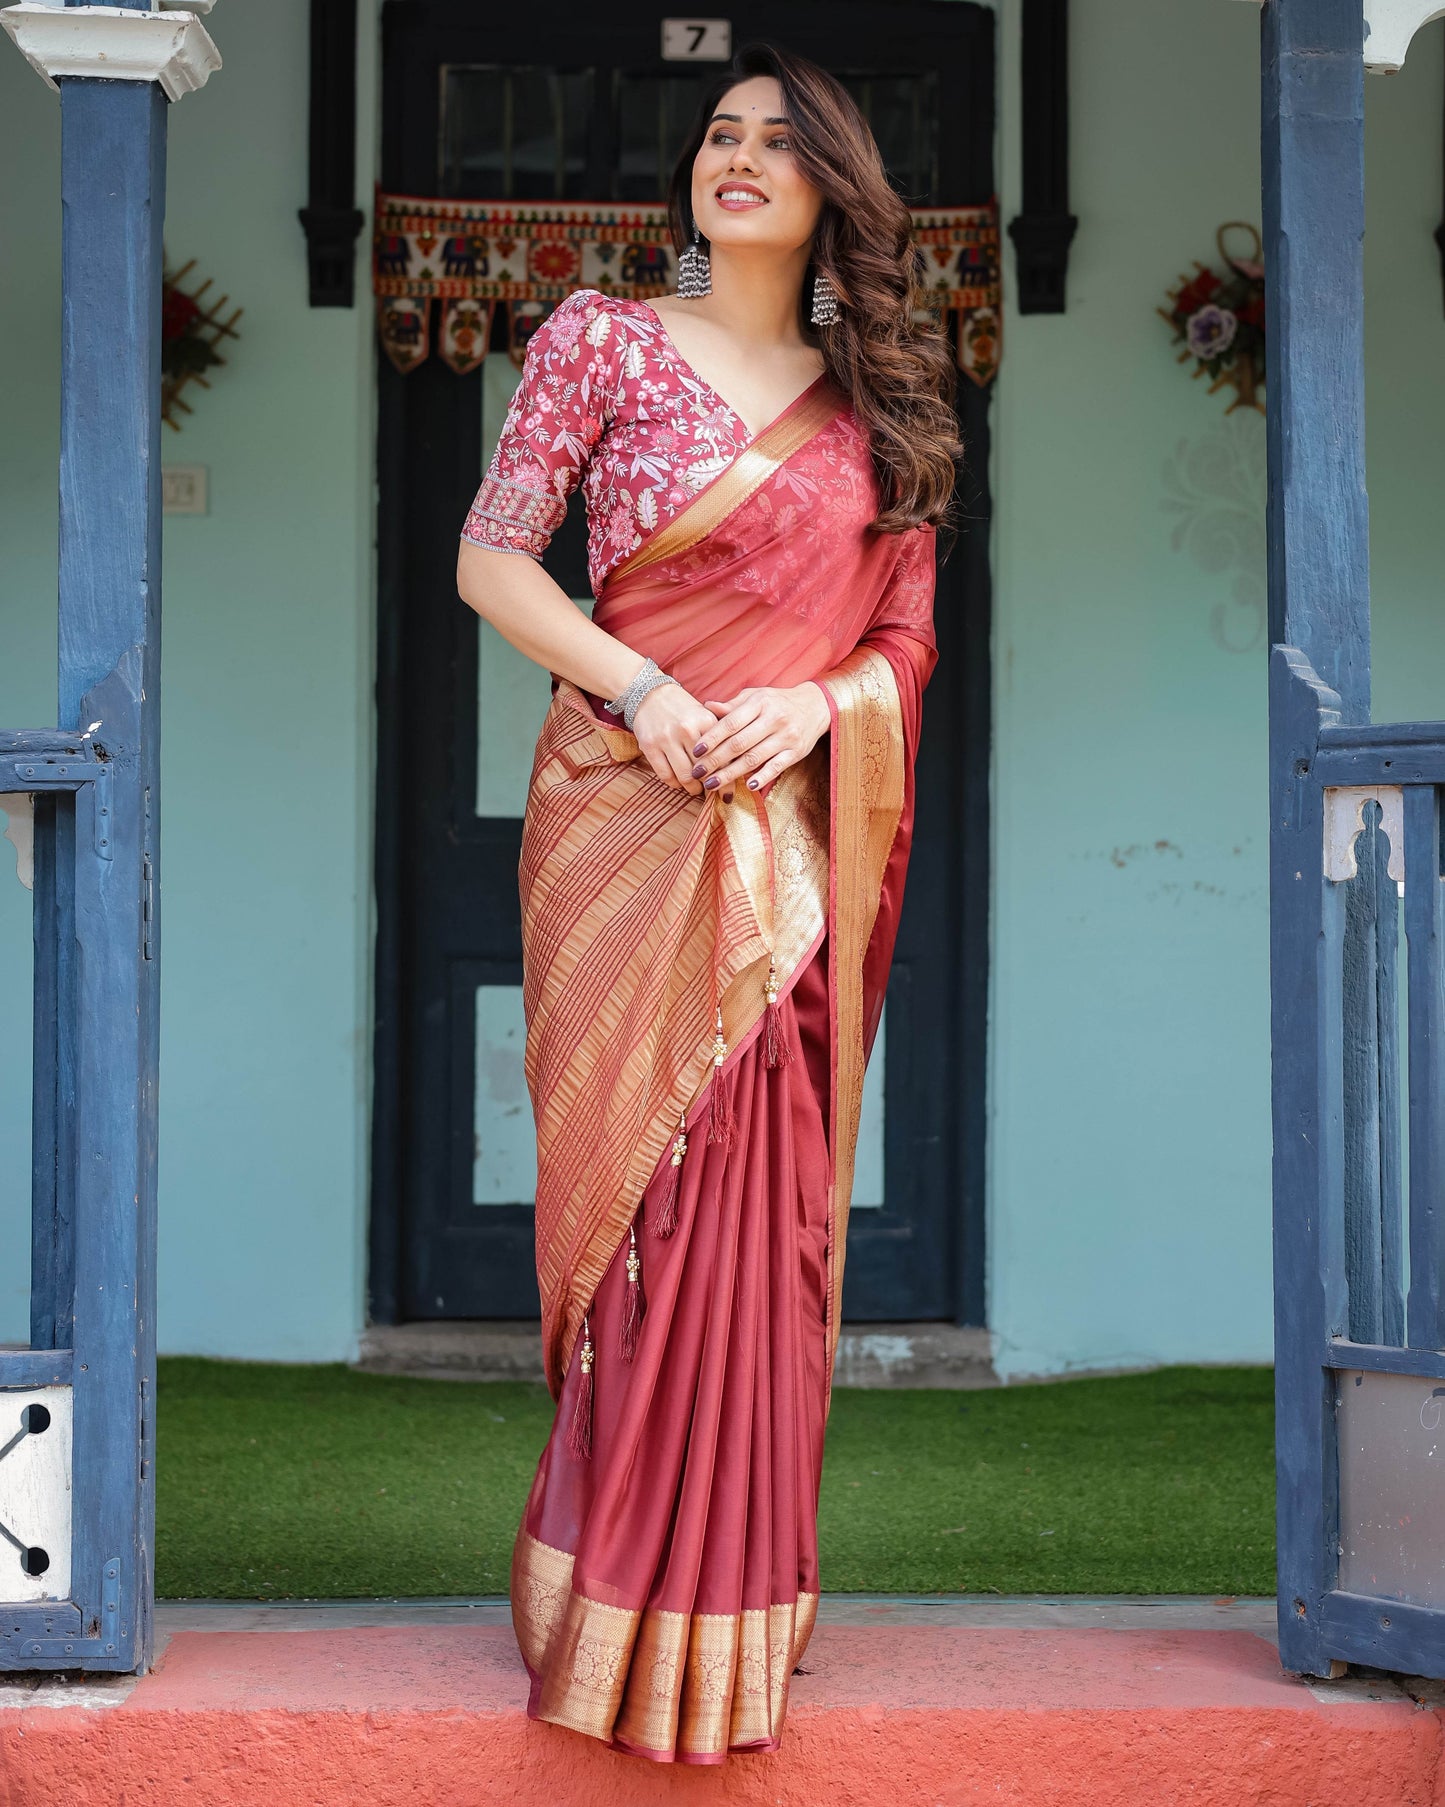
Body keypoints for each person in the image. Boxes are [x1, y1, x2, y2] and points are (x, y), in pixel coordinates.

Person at [455, 39, 961, 1765]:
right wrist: (648, 692)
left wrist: (820, 708)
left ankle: (725, 1610)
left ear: (833, 186)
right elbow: (492, 557)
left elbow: (897, 642)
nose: (736, 158)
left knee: (755, 1224)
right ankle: (611, 1594)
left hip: (783, 853)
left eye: (777, 141)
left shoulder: (884, 407)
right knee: (646, 1217)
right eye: (719, 135)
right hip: (624, 815)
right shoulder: (599, 340)